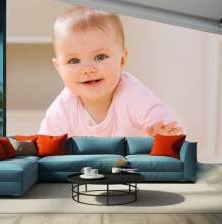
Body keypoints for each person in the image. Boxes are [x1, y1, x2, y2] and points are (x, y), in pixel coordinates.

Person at [38, 6, 184, 137]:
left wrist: (161, 130)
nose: (88, 69)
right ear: (58, 68)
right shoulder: (63, 108)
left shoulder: (132, 94)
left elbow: (162, 118)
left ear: (122, 59)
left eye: (100, 57)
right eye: (74, 61)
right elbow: (44, 145)